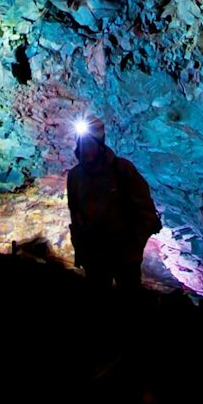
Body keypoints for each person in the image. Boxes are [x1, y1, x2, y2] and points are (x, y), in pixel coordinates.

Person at [66, 117, 161, 292]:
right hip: (94, 256)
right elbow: (75, 213)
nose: (85, 148)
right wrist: (81, 247)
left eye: (89, 143)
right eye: (82, 143)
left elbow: (146, 213)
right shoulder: (75, 176)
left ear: (99, 144)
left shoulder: (122, 170)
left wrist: (133, 247)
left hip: (124, 256)